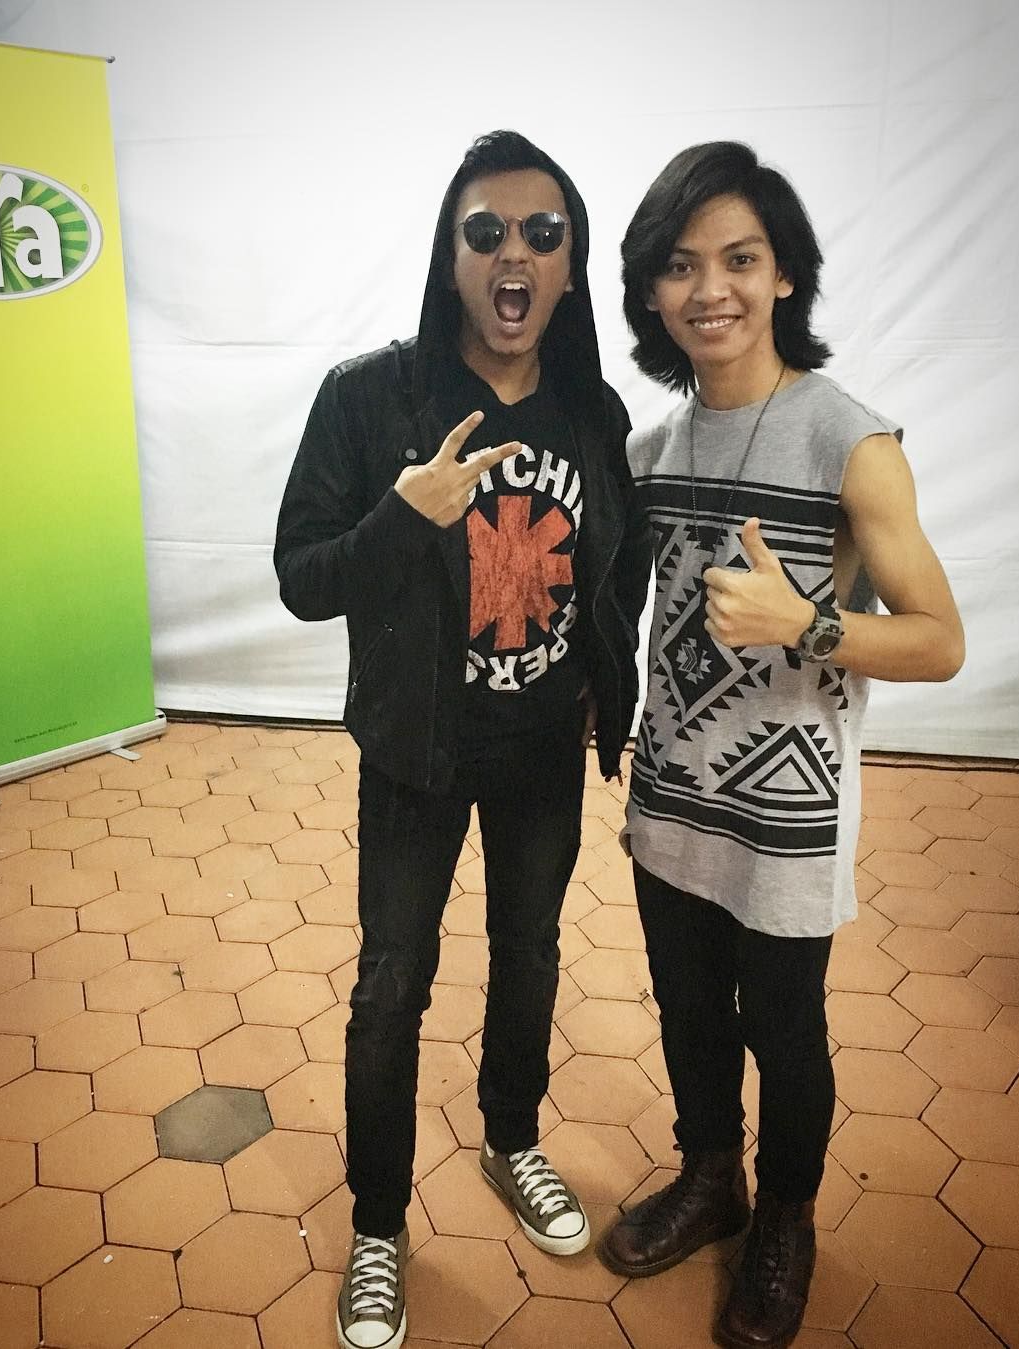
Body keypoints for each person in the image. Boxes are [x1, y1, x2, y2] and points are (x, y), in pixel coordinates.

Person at [274, 129, 649, 1349]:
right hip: (418, 749)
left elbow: (620, 561)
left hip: (539, 746)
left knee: (529, 951)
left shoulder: (594, 412)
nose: (512, 252)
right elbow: (300, 575)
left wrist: (601, 680)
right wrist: (401, 514)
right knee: (393, 984)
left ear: (571, 265)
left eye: (543, 233)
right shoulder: (369, 398)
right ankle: (380, 1223)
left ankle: (510, 1136)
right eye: (485, 231)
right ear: (450, 257)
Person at [599, 142, 964, 1349]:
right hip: (671, 793)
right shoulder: (654, 450)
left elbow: (941, 640)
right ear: (652, 291)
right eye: (681, 265)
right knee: (687, 1006)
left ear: (785, 274)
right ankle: (713, 1177)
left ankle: (786, 1218)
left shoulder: (849, 440)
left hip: (788, 812)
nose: (712, 289)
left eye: (741, 259)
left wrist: (807, 622)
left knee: (786, 1027)